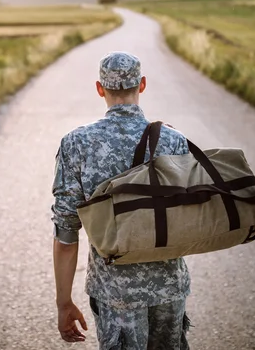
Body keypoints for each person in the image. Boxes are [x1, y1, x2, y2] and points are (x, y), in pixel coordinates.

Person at [51, 51, 192, 350]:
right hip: (170, 288)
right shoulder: (174, 140)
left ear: (100, 89)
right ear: (142, 85)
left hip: (115, 293)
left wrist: (64, 303)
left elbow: (66, 233)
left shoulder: (76, 144)